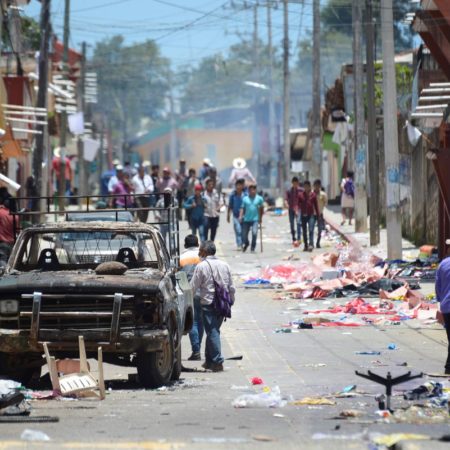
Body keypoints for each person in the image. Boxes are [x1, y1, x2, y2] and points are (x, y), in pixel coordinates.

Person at [190, 240, 235, 372]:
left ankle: (217, 361)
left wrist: (187, 299)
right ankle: (209, 361)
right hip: (223, 304)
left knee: (212, 331)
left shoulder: (201, 266)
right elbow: (231, 287)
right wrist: (231, 301)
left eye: (200, 251)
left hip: (208, 304)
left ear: (204, 251)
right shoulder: (225, 265)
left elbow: (193, 286)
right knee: (213, 331)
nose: (199, 253)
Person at [180, 234, 203, 361]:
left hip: (189, 292)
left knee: (192, 321)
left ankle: (196, 350)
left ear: (185, 245)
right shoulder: (203, 257)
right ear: (198, 245)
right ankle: (197, 348)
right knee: (200, 321)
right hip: (204, 293)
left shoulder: (181, 258)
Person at [435, 256, 450, 375]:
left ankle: (448, 367)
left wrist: (440, 301)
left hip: (447, 307)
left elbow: (438, 286)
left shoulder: (443, 264)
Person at [240, 184, 264, 253]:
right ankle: (246, 243)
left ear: (255, 190)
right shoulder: (245, 199)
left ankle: (253, 247)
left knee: (254, 233)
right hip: (246, 219)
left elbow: (262, 208)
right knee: (244, 235)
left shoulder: (259, 199)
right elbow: (242, 208)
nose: (252, 191)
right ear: (248, 191)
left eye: (254, 190)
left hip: (255, 219)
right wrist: (241, 216)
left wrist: (260, 218)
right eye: (250, 190)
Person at [298, 180, 319, 252]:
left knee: (311, 229)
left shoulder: (313, 195)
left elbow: (316, 205)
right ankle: (306, 245)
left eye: (307, 186)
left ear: (310, 187)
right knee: (304, 231)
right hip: (303, 215)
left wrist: (318, 215)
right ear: (304, 187)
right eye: (305, 186)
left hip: (311, 215)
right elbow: (298, 204)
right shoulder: (301, 195)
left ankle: (311, 244)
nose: (306, 188)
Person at [227, 178, 245, 250]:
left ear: (242, 186)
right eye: (237, 185)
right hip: (235, 216)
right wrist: (228, 215)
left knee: (243, 231)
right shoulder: (232, 195)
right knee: (238, 230)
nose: (238, 187)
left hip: (244, 216)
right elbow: (230, 206)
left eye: (240, 185)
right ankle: (239, 244)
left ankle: (243, 243)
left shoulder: (245, 195)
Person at [285, 176, 302, 246]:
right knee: (292, 224)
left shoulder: (301, 190)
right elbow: (286, 199)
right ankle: (293, 237)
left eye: (296, 183)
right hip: (291, 209)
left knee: (298, 223)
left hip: (298, 209)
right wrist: (286, 203)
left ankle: (298, 238)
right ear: (292, 183)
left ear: (298, 183)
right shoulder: (289, 190)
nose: (295, 184)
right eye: (294, 183)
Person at [0, 195, 17, 264]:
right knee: (10, 264)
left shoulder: (0, 212)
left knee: (2, 262)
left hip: (2, 243)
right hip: (12, 244)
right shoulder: (15, 216)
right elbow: (17, 230)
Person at [313, 179, 328, 248]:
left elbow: (325, 203)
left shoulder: (323, 194)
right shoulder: (311, 194)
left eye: (318, 185)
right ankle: (311, 242)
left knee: (320, 229)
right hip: (312, 214)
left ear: (320, 186)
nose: (316, 187)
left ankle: (318, 242)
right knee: (311, 229)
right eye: (315, 185)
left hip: (319, 214)